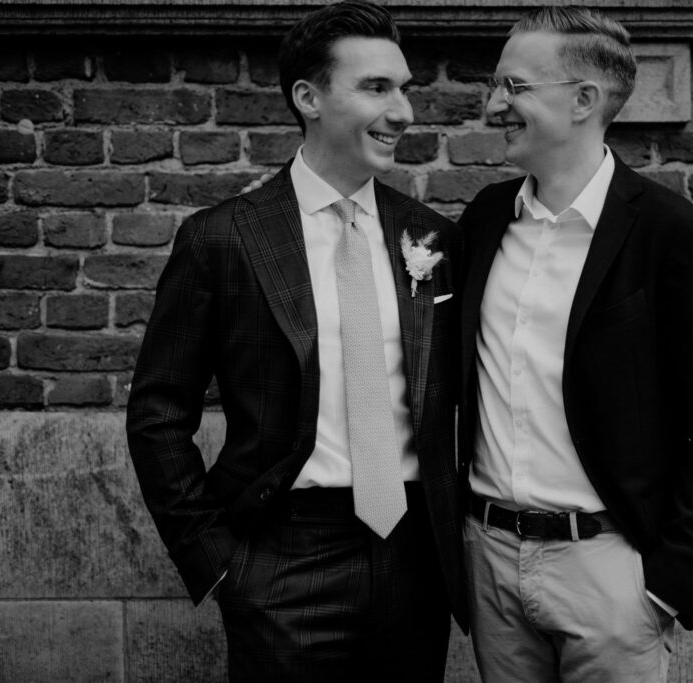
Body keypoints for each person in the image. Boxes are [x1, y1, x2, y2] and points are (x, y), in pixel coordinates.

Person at [126, 2, 466, 680]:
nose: (403, 112)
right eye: (376, 88)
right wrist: (220, 562)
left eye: (404, 90)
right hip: (283, 555)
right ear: (308, 98)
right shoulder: (223, 238)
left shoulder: (431, 237)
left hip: (413, 558)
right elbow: (159, 412)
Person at [457, 6, 693, 682]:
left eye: (513, 86)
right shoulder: (484, 220)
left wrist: (664, 585)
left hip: (609, 571)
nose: (494, 104)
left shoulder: (673, 235)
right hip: (490, 560)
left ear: (584, 100)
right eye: (496, 85)